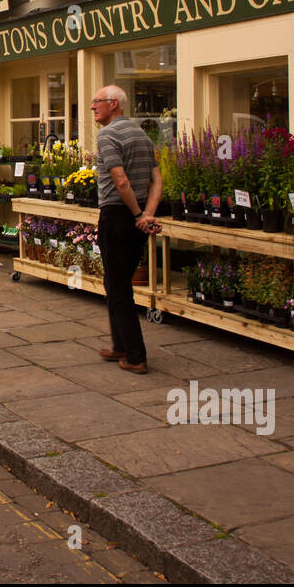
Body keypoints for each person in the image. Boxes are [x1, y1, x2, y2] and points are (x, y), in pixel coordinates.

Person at [92, 85, 161, 374]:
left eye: (97, 101)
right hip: (136, 216)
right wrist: (147, 214)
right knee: (115, 282)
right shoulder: (141, 134)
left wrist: (137, 214)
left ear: (114, 104)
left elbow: (120, 180)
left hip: (118, 216)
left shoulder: (107, 135)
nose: (93, 106)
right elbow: (157, 179)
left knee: (119, 288)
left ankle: (135, 356)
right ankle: (120, 345)